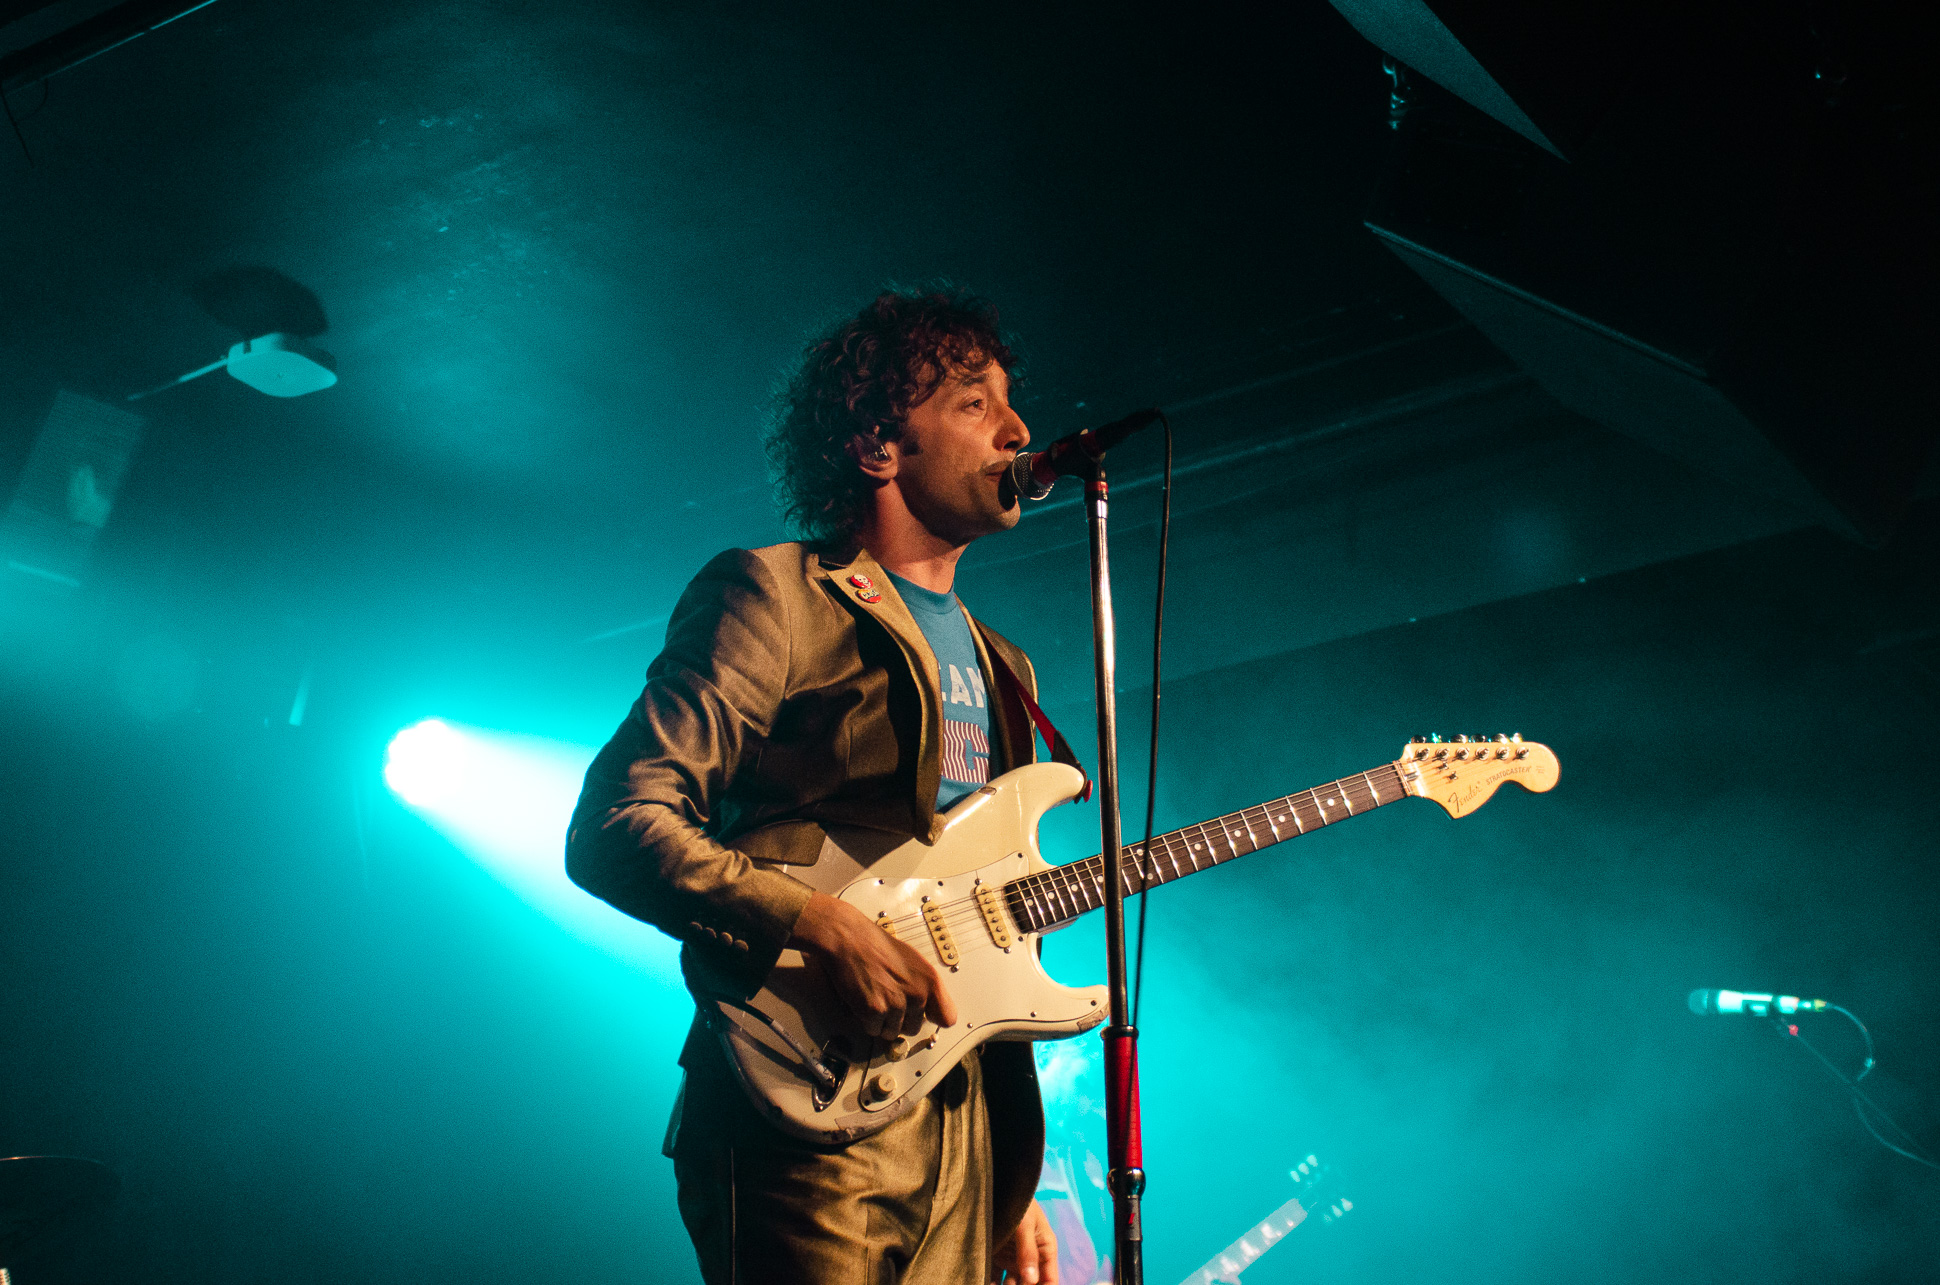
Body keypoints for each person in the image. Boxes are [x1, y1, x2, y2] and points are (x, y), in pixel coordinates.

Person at [567, 286, 1063, 1285]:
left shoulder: (1008, 668)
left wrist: (1024, 1180)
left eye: (1011, 403)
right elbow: (618, 823)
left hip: (960, 1126)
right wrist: (820, 925)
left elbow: (993, 924)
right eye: (973, 403)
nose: (1016, 429)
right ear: (878, 443)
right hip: (798, 1097)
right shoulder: (775, 595)